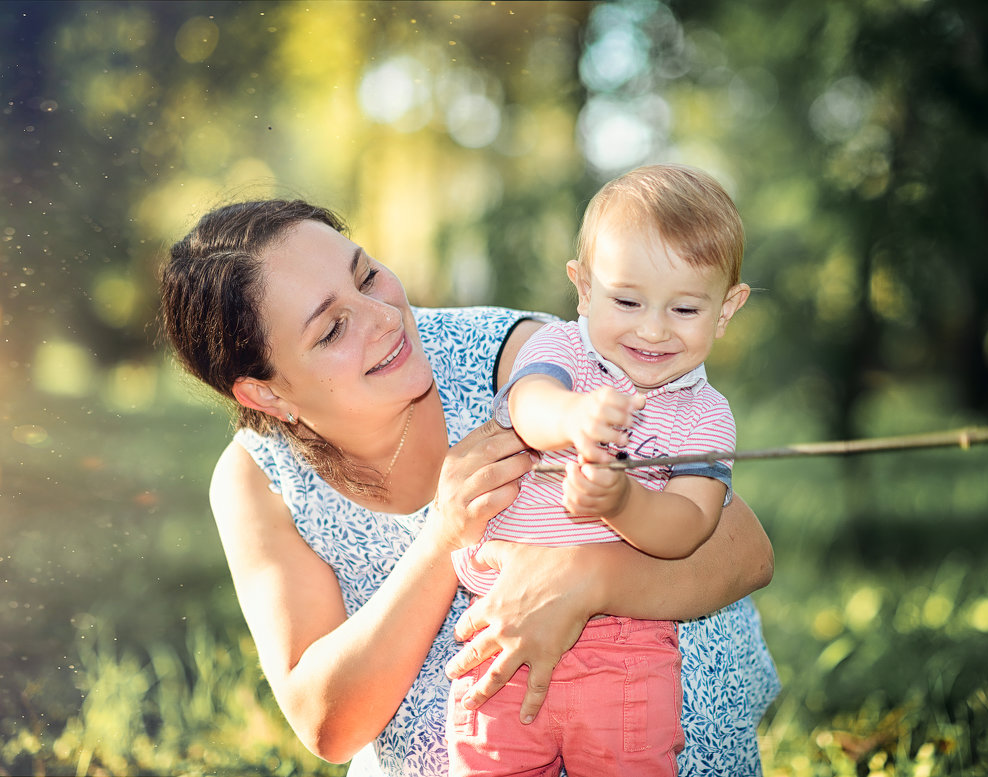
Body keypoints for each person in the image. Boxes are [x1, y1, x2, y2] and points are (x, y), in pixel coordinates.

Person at [157, 197, 780, 777]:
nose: (384, 316)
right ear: (265, 392)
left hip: (648, 732)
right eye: (331, 329)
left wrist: (591, 580)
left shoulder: (522, 362)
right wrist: (442, 540)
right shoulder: (256, 482)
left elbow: (745, 551)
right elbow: (330, 724)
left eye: (367, 274)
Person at [448, 164, 752, 776]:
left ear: (726, 309)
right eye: (626, 300)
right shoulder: (560, 349)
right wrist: (575, 416)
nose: (652, 328)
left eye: (685, 309)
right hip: (502, 633)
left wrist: (620, 502)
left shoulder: (705, 417)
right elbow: (527, 406)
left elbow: (689, 524)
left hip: (628, 648)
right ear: (583, 289)